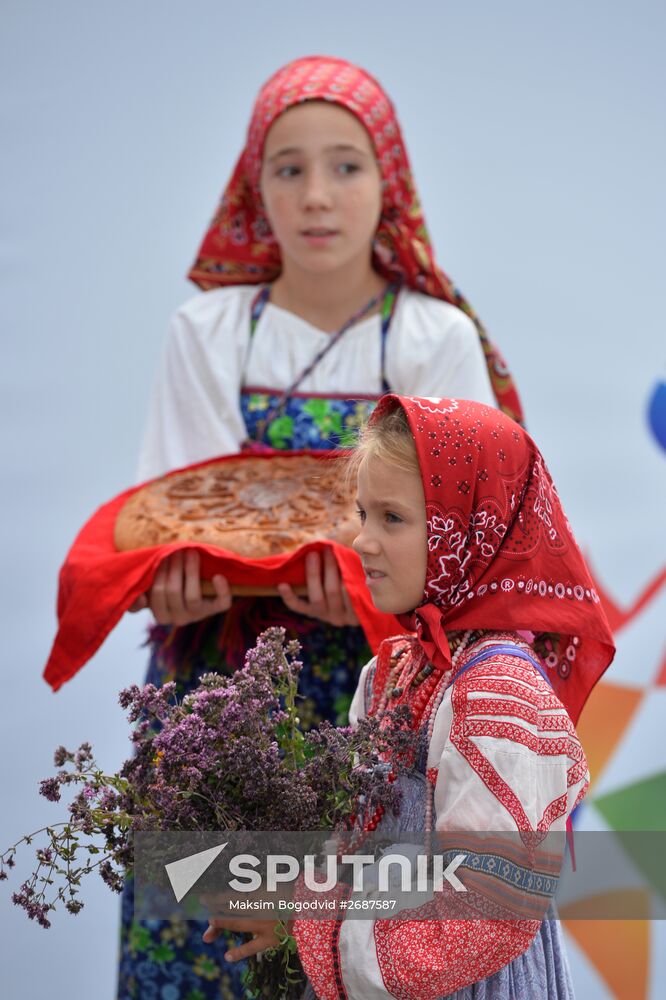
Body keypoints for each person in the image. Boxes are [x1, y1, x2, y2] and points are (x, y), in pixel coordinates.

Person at [119, 55, 524, 1000]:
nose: (317, 195)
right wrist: (174, 582)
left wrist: (373, 589)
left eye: (346, 165)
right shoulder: (209, 331)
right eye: (288, 167)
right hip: (214, 692)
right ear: (254, 190)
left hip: (375, 690)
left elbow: (469, 540)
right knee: (201, 945)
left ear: (391, 187)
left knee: (343, 946)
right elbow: (176, 510)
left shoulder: (431, 341)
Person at [205, 395, 615, 998]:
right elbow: (352, 841)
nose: (362, 541)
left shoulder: (501, 694)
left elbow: (482, 908)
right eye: (362, 513)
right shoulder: (390, 672)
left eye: (392, 519)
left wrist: (305, 920)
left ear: (469, 531)